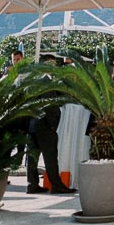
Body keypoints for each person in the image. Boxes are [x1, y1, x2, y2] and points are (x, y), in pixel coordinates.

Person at [27, 56, 75, 195]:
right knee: (50, 157)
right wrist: (53, 125)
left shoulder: (34, 81)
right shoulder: (47, 82)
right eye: (53, 64)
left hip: (32, 125)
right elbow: (49, 106)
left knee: (32, 158)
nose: (55, 67)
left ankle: (32, 184)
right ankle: (56, 185)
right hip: (44, 126)